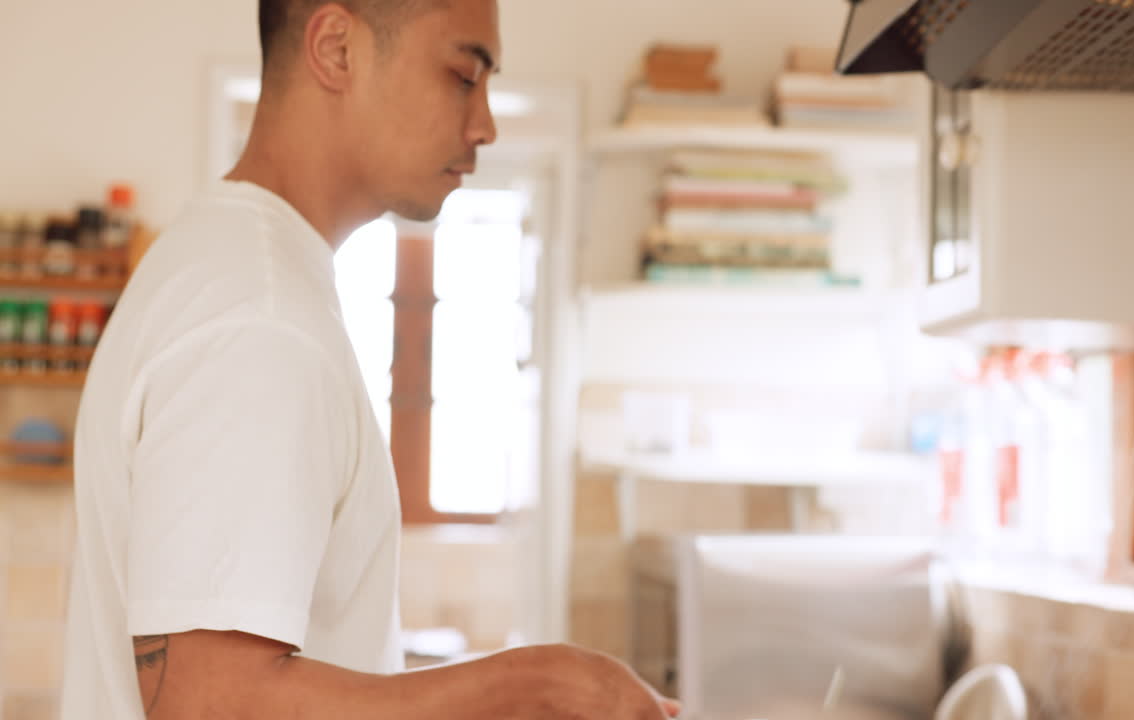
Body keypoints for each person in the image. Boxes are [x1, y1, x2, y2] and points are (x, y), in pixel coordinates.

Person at [61, 1, 680, 718]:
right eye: (462, 74)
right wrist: (528, 686)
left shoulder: (231, 270)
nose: (485, 124)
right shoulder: (259, 318)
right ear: (337, 49)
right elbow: (211, 702)